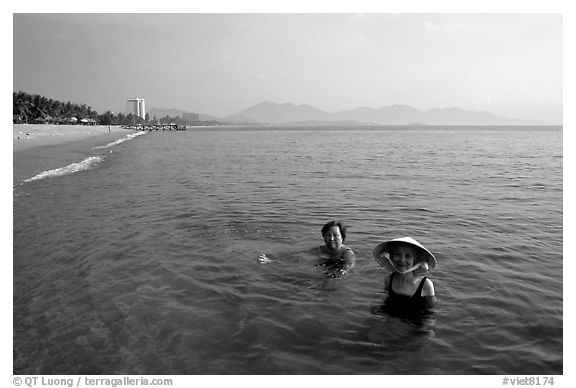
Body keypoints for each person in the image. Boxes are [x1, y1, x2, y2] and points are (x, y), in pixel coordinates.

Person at [258, 220, 356, 277]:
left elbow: (350, 265)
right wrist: (272, 261)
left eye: (335, 235)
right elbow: (298, 255)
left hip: (339, 268)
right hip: (324, 266)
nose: (331, 239)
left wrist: (344, 272)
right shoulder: (320, 250)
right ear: (324, 237)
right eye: (328, 235)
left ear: (342, 237)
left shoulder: (347, 253)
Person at [373, 237, 436, 309]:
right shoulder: (389, 279)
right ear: (391, 257)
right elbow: (382, 300)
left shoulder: (426, 284)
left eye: (408, 256)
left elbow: (431, 310)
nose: (402, 260)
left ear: (415, 260)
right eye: (397, 255)